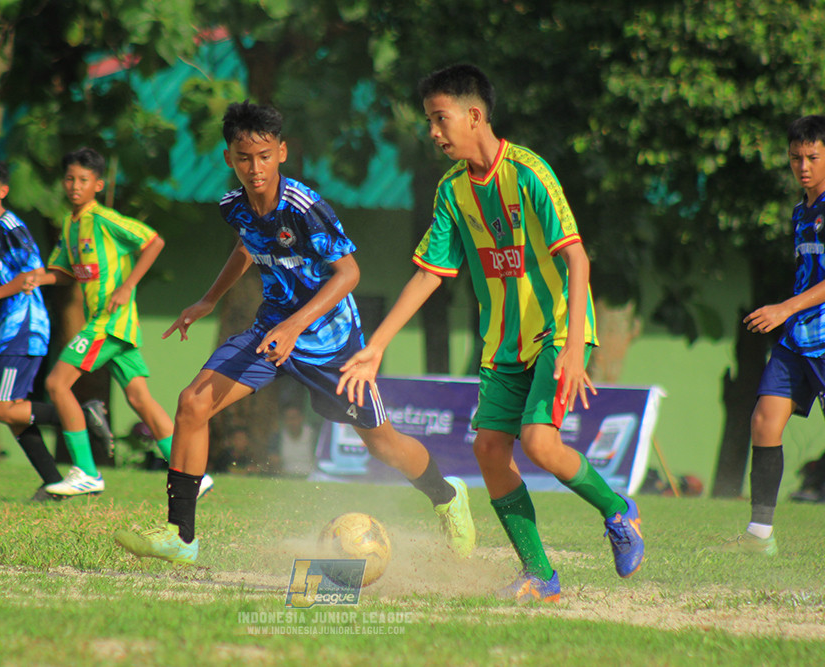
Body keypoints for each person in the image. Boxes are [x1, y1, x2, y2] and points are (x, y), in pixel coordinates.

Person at [113, 101, 475, 565]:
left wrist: (294, 325)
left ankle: (446, 496)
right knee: (192, 403)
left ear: (281, 152)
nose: (254, 167)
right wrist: (209, 299)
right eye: (244, 158)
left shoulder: (305, 208)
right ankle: (181, 538)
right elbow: (248, 246)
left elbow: (348, 274)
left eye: (264, 156)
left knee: (383, 444)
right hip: (272, 333)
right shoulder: (234, 206)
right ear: (229, 159)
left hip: (332, 344)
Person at [336, 64, 644, 603]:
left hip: (555, 331)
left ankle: (619, 511)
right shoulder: (452, 191)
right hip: (503, 342)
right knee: (488, 451)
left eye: (440, 118)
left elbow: (576, 258)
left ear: (473, 115)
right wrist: (376, 346)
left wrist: (574, 347)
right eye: (430, 121)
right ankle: (541, 576)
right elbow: (431, 273)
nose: (433, 131)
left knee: (541, 444)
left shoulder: (530, 173)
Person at [23, 147, 212, 498]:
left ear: (98, 184)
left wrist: (127, 286)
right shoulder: (70, 224)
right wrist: (40, 279)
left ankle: (87, 471)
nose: (75, 186)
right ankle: (192, 474)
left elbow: (154, 242)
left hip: (109, 322)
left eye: (83, 180)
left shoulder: (104, 219)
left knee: (56, 383)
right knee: (140, 397)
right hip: (113, 325)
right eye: (69, 179)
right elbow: (63, 272)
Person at [0, 153, 112, 502]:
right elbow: (1, 280)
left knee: (1, 408)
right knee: (16, 413)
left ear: (2, 190)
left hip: (23, 327)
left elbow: (31, 274)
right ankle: (52, 485)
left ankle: (83, 413)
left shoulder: (10, 228)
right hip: (8, 328)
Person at [726, 114, 825, 551]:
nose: (803, 166)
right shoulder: (801, 211)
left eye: (812, 158)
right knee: (765, 421)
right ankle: (759, 535)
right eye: (795, 158)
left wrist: (784, 308)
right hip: (798, 338)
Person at [268, 403, 318, 476]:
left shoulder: (313, 435)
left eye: (294, 418)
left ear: (301, 418)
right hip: (286, 477)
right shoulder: (278, 437)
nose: (291, 422)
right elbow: (273, 459)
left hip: (310, 477)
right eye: (288, 419)